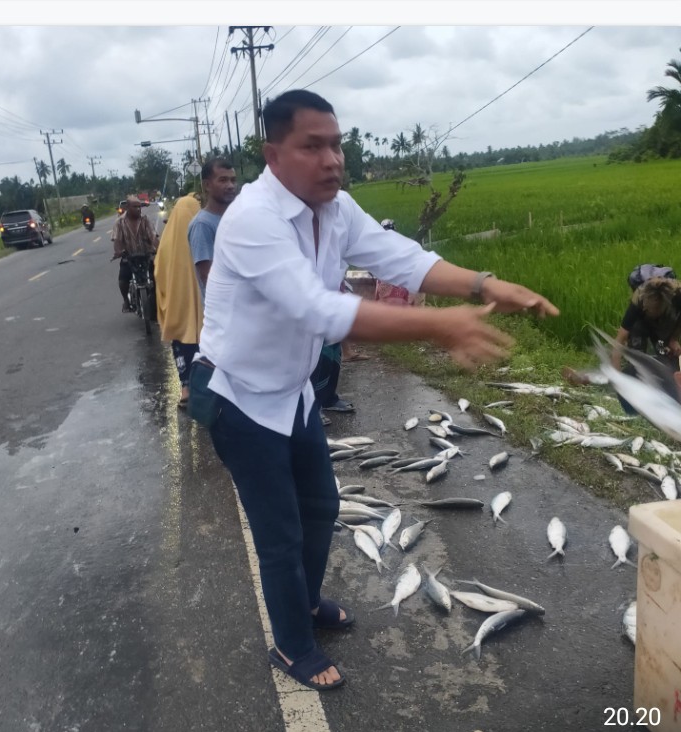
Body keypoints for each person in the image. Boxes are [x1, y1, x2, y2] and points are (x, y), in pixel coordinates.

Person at [196, 89, 558, 691]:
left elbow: (403, 258)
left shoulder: (334, 209)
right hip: (240, 398)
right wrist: (440, 326)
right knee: (281, 531)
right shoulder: (251, 220)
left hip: (293, 393)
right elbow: (319, 311)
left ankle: (305, 604)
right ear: (274, 154)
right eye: (313, 146)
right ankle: (290, 646)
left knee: (322, 509)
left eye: (336, 143)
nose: (332, 159)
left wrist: (486, 284)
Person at [153, 192, 203, 409]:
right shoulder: (203, 233)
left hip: (178, 306)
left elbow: (158, 274)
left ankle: (186, 389)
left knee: (181, 345)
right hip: (203, 308)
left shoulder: (167, 242)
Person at [611, 276, 681, 413]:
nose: (648, 310)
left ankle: (669, 396)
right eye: (647, 309)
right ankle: (639, 397)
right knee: (637, 359)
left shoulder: (678, 297)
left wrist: (673, 339)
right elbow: (620, 338)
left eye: (652, 310)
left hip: (667, 318)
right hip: (640, 324)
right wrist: (615, 374)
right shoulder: (639, 301)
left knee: (666, 357)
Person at [187, 158, 237, 299]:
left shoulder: (236, 217)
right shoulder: (202, 225)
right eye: (223, 180)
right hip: (225, 313)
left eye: (233, 180)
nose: (230, 186)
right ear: (207, 185)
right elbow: (208, 278)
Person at [111, 195, 160, 313]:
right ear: (127, 207)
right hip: (129, 256)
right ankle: (126, 301)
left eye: (139, 207)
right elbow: (117, 240)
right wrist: (119, 251)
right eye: (135, 207)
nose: (138, 209)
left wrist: (159, 249)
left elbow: (153, 236)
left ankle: (155, 301)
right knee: (123, 278)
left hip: (145, 255)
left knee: (157, 276)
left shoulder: (145, 220)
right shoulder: (119, 222)